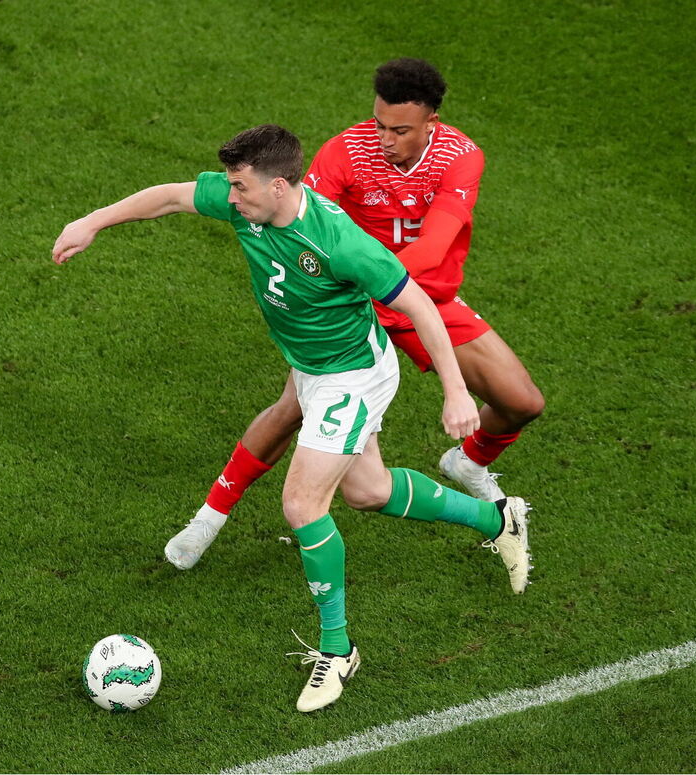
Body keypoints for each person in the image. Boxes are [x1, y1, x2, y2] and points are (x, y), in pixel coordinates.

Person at [52, 124, 530, 713]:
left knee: (303, 504)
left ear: (279, 186)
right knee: (369, 491)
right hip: (311, 366)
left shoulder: (340, 243)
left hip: (351, 376)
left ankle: (339, 649)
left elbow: (419, 306)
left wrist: (455, 393)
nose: (230, 197)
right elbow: (170, 196)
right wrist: (92, 221)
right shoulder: (245, 205)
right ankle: (497, 518)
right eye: (229, 185)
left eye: (240, 187)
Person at [165, 59, 544, 583]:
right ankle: (210, 517)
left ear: (432, 121)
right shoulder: (347, 149)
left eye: (400, 130)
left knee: (522, 402)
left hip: (413, 295)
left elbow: (433, 248)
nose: (384, 138)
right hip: (349, 302)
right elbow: (304, 217)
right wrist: (336, 289)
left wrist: (371, 279)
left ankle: (467, 464)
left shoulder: (461, 158)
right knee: (292, 410)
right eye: (379, 123)